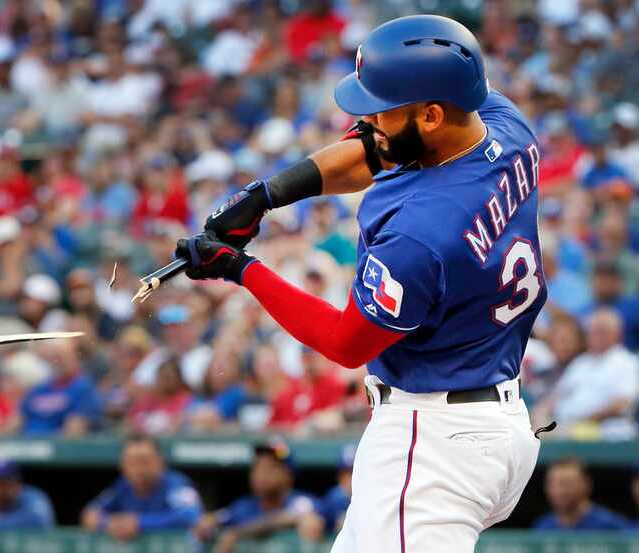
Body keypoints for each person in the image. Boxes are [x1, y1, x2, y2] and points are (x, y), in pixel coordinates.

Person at [178, 15, 545, 553]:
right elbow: (377, 149)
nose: (366, 117)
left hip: (435, 442)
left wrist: (241, 269)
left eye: (382, 106)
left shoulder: (421, 232)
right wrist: (267, 196)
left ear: (431, 113)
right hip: (491, 419)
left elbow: (347, 344)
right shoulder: (503, 124)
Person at [194, 438, 318, 553]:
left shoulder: (301, 501)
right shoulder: (244, 506)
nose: (261, 475)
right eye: (257, 467)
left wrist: (238, 534)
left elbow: (288, 517)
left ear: (288, 475)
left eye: (270, 468)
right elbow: (218, 518)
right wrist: (209, 523)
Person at [81, 433, 202, 541]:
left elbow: (190, 514)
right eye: (132, 461)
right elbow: (91, 514)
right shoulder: (122, 485)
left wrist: (140, 522)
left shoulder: (175, 483)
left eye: (144, 461)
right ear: (123, 465)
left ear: (160, 462)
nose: (138, 469)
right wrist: (108, 523)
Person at [546, 308, 639, 439]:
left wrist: (581, 421)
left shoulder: (627, 362)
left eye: (601, 330)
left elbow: (623, 404)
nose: (595, 335)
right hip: (566, 428)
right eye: (592, 331)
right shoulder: (580, 362)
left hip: (605, 431)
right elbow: (555, 397)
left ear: (617, 333)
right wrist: (541, 414)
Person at [533, 457, 630, 531]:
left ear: (586, 485)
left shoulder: (611, 526)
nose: (559, 491)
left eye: (566, 483)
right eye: (552, 484)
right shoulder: (543, 527)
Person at [300, 444, 356, 540]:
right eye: (346, 473)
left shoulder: (377, 497)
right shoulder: (335, 498)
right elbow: (315, 518)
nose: (351, 478)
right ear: (340, 476)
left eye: (355, 471)